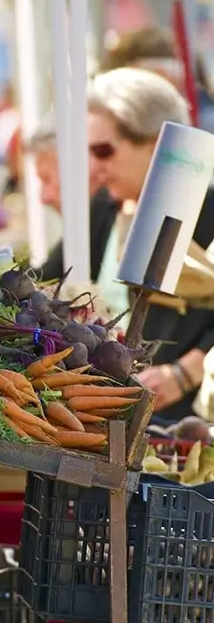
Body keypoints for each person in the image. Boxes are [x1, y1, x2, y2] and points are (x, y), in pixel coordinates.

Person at [39, 67, 214, 418]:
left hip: (179, 426)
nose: (95, 167)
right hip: (100, 416)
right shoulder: (102, 209)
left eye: (104, 151)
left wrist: (186, 372)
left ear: (154, 144)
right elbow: (44, 282)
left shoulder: (208, 212)